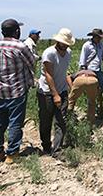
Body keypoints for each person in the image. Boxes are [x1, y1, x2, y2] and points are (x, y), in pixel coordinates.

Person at [0, 19, 35, 164]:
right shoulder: (20, 46)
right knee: (15, 122)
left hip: (0, 91)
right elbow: (32, 62)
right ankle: (12, 154)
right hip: (17, 90)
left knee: (0, 123)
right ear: (16, 31)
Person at [37, 28, 75, 157]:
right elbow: (48, 74)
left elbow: (64, 72)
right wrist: (55, 95)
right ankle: (46, 146)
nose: (64, 45)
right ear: (58, 41)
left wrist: (70, 87)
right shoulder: (49, 53)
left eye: (66, 43)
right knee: (46, 120)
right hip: (47, 92)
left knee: (61, 121)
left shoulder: (68, 52)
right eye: (63, 43)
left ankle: (57, 149)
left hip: (62, 90)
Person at [79, 28, 103, 118]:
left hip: (99, 70)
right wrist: (84, 71)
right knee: (91, 92)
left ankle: (100, 108)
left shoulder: (101, 45)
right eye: (99, 37)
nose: (100, 39)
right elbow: (82, 60)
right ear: (94, 37)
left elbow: (101, 58)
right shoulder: (87, 45)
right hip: (90, 70)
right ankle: (91, 111)